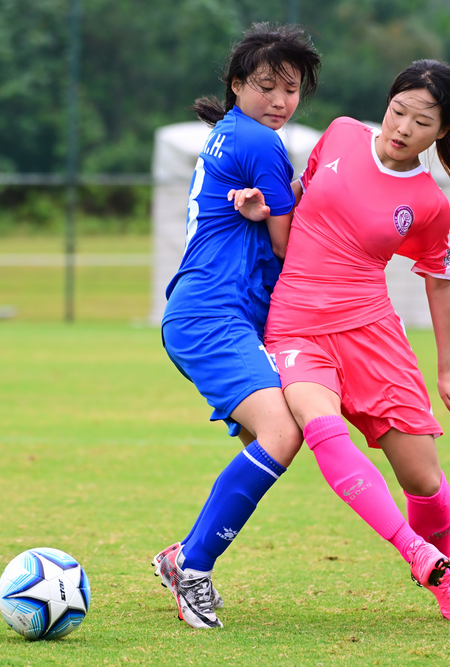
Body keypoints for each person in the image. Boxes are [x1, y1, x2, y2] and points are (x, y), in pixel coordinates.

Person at [232, 59, 450, 621]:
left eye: (422, 121)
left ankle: (436, 566)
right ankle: (422, 559)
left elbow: (439, 283)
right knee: (321, 428)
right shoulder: (341, 134)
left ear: (442, 133)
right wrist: (261, 210)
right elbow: (298, 197)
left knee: (423, 480)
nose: (403, 127)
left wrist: (447, 369)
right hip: (297, 325)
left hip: (373, 334)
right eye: (399, 110)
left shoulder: (427, 203)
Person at [151, 23, 321, 629]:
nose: (280, 101)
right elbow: (287, 240)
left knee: (266, 443)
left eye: (292, 90)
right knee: (282, 434)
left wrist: (276, 206)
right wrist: (304, 203)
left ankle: (183, 557)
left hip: (211, 312)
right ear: (236, 86)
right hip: (212, 313)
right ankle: (192, 567)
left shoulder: (231, 133)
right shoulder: (262, 143)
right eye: (266, 86)